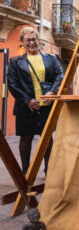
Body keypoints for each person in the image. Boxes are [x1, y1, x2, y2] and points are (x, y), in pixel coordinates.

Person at [7, 27, 64, 175]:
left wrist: (52, 92)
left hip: (46, 106)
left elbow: (60, 76)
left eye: (34, 39)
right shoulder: (15, 62)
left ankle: (48, 172)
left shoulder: (51, 58)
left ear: (39, 40)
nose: (32, 43)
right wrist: (28, 101)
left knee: (47, 139)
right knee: (25, 139)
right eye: (28, 40)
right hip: (26, 107)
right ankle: (26, 173)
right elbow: (12, 83)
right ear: (22, 42)